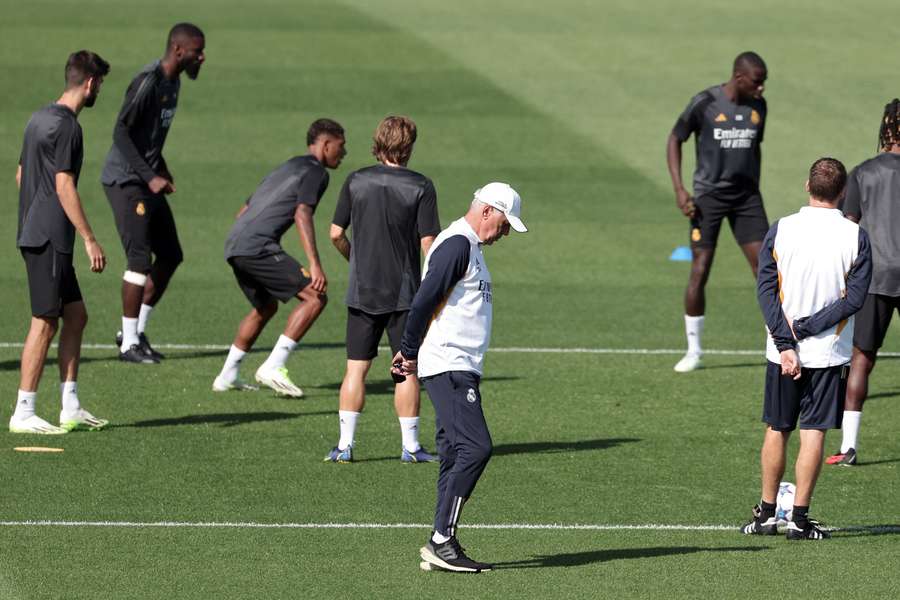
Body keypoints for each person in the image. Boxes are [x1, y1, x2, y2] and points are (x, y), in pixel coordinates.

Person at [392, 182, 527, 572]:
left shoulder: (470, 247)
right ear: (487, 211)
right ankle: (441, 540)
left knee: (453, 452)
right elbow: (424, 298)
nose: (504, 233)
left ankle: (441, 541)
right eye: (504, 223)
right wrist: (410, 350)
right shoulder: (457, 244)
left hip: (458, 365)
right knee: (476, 447)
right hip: (450, 365)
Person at [741, 158, 871, 540]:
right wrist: (808, 329)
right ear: (843, 191)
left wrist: (785, 341)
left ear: (807, 186)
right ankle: (798, 518)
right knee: (813, 431)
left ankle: (766, 514)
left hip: (781, 354)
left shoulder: (782, 229)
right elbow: (855, 299)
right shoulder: (855, 236)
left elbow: (765, 290)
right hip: (828, 354)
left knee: (777, 428)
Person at [324, 116, 441, 463]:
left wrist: (355, 261)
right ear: (409, 146)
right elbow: (429, 244)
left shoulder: (355, 180)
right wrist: (436, 291)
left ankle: (345, 446)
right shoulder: (421, 186)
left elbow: (334, 234)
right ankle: (410, 447)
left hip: (362, 292)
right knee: (405, 369)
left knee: (355, 369)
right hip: (404, 295)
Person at [10, 51, 110, 434]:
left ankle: (70, 406)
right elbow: (63, 184)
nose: (99, 88)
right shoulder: (68, 127)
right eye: (99, 82)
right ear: (89, 83)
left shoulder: (39, 118)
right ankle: (24, 410)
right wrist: (89, 238)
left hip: (41, 231)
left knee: (76, 315)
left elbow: (22, 175)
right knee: (44, 322)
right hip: (50, 236)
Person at [212, 119, 346, 396]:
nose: (343, 153)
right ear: (325, 144)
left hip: (235, 243)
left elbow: (246, 208)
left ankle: (227, 375)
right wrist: (315, 264)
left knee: (265, 306)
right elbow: (302, 213)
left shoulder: (288, 165)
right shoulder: (317, 173)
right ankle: (274, 365)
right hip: (256, 246)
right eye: (341, 147)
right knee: (315, 297)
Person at [101, 23, 206, 363]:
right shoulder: (148, 81)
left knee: (171, 254)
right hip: (126, 181)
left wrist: (161, 168)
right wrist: (149, 175)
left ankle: (134, 332)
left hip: (147, 178)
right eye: (197, 51)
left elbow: (149, 137)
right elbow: (121, 131)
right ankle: (128, 345)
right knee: (139, 261)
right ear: (178, 50)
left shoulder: (173, 83)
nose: (201, 57)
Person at [667, 51, 769, 372]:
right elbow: (675, 139)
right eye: (757, 81)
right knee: (700, 269)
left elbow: (754, 149)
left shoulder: (758, 106)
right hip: (709, 198)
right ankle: (693, 350)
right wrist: (680, 189)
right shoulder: (705, 103)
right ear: (739, 78)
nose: (762, 88)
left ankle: (777, 343)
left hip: (747, 199)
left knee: (766, 269)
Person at [827, 100, 900, 467]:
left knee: (861, 359)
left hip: (875, 276)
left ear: (887, 128)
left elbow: (849, 226)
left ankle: (849, 446)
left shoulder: (863, 172)